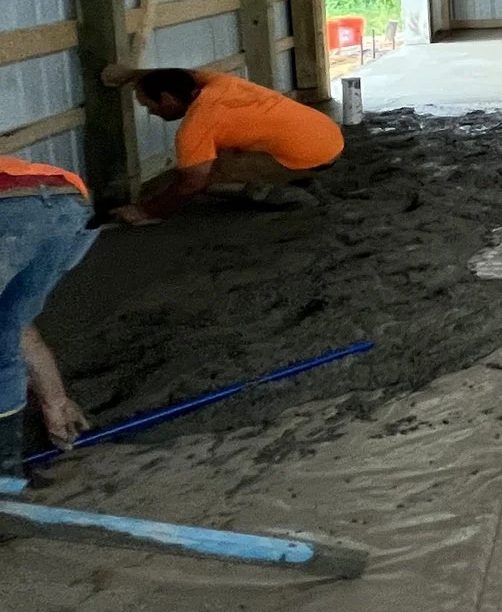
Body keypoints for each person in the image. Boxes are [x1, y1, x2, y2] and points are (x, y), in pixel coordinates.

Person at [109, 65, 345, 224]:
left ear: (167, 98)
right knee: (221, 151)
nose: (151, 112)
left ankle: (278, 190)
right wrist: (132, 74)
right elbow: (182, 73)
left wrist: (146, 211)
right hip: (330, 137)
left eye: (150, 105)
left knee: (196, 174)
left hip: (315, 157)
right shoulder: (216, 82)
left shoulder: (197, 124)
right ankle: (289, 175)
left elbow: (191, 184)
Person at [0, 155, 96, 477]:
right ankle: (7, 473)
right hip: (66, 201)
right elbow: (22, 331)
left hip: (9, 209)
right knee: (7, 328)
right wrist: (56, 402)